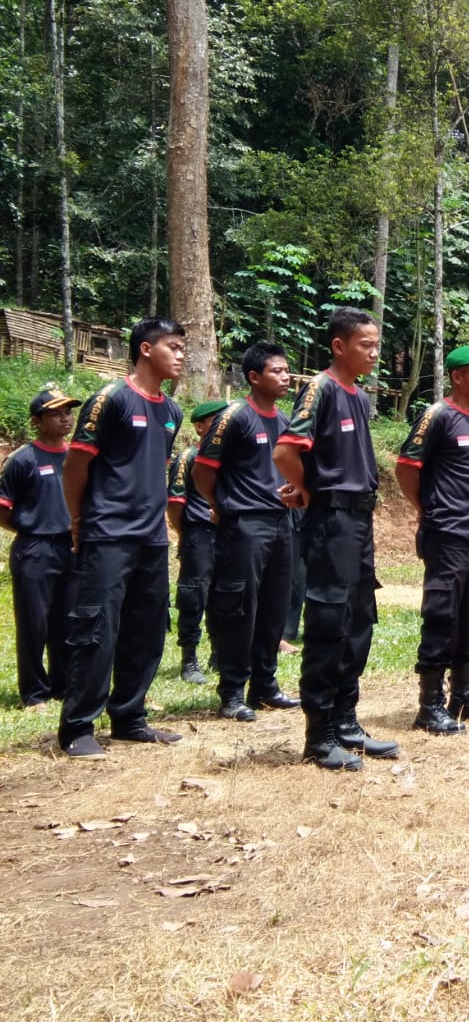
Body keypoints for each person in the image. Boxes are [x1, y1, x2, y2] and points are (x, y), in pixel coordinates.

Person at [274, 307, 399, 771]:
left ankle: (346, 720)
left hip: (358, 525)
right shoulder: (320, 388)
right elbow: (286, 449)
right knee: (328, 623)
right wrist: (307, 487)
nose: (373, 352)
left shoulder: (358, 396)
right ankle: (319, 734)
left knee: (359, 620)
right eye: (365, 344)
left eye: (376, 344)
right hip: (332, 522)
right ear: (339, 346)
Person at [58, 318, 187, 758]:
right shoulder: (110, 398)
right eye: (173, 346)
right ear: (146, 349)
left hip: (152, 538)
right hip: (108, 533)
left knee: (147, 629)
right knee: (97, 628)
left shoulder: (172, 411)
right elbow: (76, 466)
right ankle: (78, 727)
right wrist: (79, 518)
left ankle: (130, 717)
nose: (181, 354)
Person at [395, 345, 469, 735]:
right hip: (448, 534)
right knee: (442, 615)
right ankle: (430, 704)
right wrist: (427, 509)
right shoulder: (437, 415)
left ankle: (465, 694)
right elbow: (406, 467)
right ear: (457, 376)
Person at [192, 342, 299, 723]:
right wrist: (221, 505)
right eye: (277, 371)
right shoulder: (232, 416)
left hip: (280, 523)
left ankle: (265, 685)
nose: (286, 377)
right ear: (254, 377)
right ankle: (233, 691)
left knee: (274, 607)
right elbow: (203, 470)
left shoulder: (284, 421)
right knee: (240, 607)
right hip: (243, 525)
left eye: (287, 371)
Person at [0, 385, 81, 708]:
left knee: (67, 621)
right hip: (35, 549)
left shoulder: (76, 456)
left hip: (70, 547)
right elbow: (4, 509)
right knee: (34, 623)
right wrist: (31, 529)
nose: (65, 418)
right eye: (55, 413)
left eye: (68, 412)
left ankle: (62, 685)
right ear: (36, 421)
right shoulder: (23, 459)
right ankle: (34, 692)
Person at [166, 399, 228, 684]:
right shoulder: (188, 457)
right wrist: (184, 534)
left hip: (226, 534)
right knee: (193, 595)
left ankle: (218, 654)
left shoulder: (229, 458)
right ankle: (189, 658)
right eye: (215, 420)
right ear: (200, 426)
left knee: (224, 595)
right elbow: (175, 504)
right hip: (198, 533)